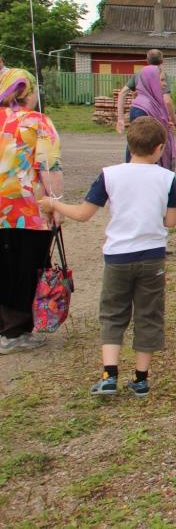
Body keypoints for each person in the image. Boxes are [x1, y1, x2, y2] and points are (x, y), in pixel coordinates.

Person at [42, 117, 176, 397]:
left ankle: (109, 375)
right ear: (159, 148)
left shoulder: (110, 174)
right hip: (152, 258)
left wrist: (53, 204)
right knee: (149, 315)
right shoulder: (167, 178)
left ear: (129, 145)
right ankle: (141, 379)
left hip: (118, 257)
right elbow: (170, 221)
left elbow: (83, 214)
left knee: (113, 314)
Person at [0, 69, 62, 355]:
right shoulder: (37, 122)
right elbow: (49, 167)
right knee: (26, 268)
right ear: (28, 92)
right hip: (28, 210)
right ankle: (15, 332)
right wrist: (56, 204)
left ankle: (8, 328)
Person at [118, 65, 176, 170]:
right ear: (151, 81)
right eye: (162, 80)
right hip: (144, 166)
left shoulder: (154, 102)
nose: (165, 84)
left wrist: (165, 127)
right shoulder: (141, 107)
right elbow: (142, 143)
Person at [115, 49, 176, 135]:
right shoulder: (162, 74)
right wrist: (173, 120)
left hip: (136, 109)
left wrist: (120, 119)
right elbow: (167, 100)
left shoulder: (139, 73)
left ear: (147, 60)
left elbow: (122, 93)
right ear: (162, 60)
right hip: (151, 112)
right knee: (151, 141)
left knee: (135, 140)